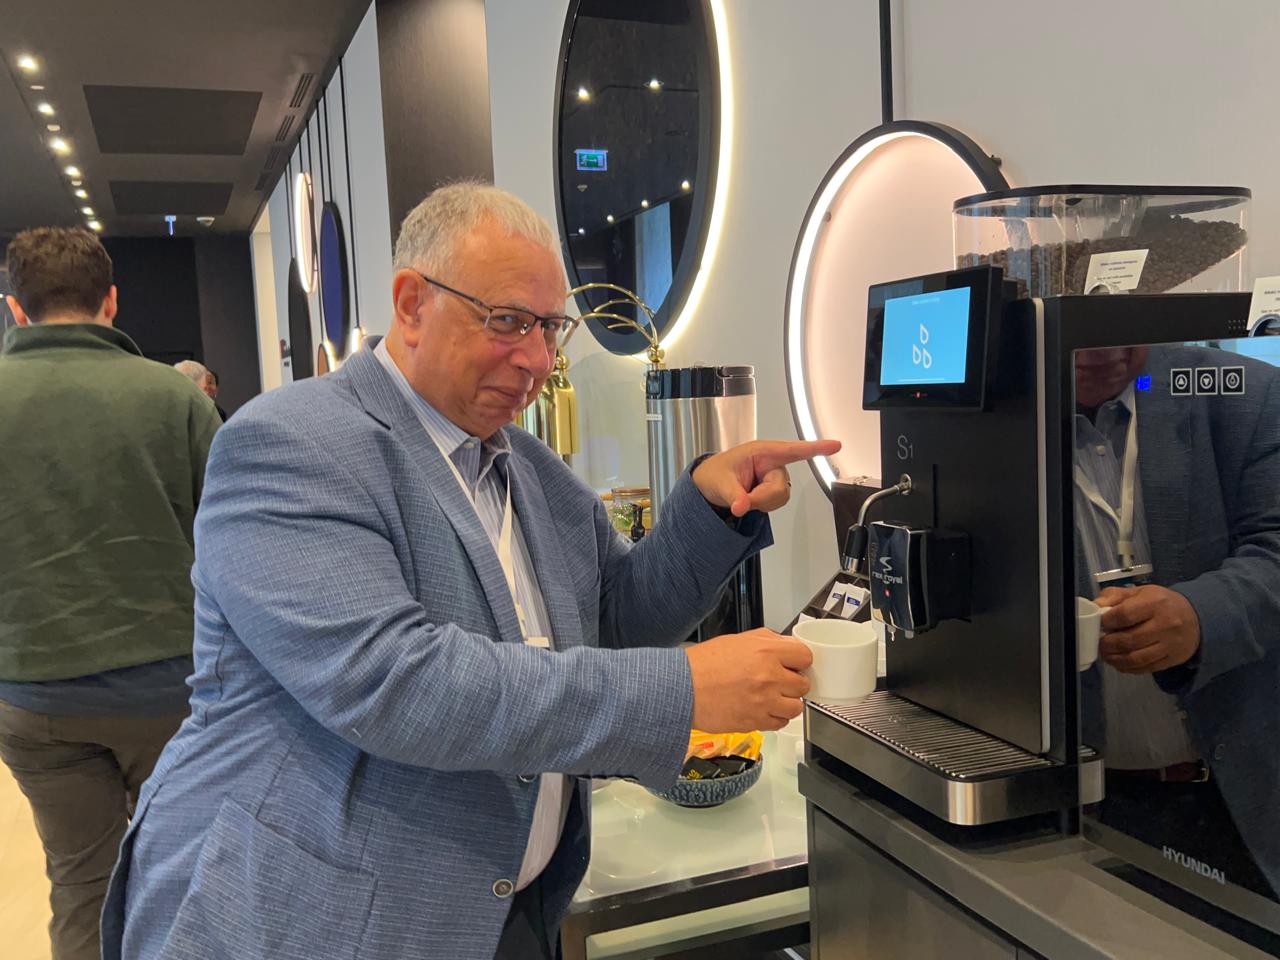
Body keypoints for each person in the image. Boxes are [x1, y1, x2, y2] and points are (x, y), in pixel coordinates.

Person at [104, 183, 835, 960]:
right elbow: (397, 683)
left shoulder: (530, 469)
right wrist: (684, 689)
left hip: (504, 911)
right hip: (312, 919)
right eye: (508, 321)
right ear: (411, 304)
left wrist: (711, 511)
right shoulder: (292, 445)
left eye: (549, 328)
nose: (539, 360)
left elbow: (617, 618)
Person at [0, 227, 222, 960]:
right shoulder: (175, 397)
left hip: (32, 694)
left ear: (15, 308)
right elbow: (232, 541)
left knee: (80, 885)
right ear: (112, 301)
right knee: (185, 872)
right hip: (170, 692)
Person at [1073, 344, 1280, 897]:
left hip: (1244, 798)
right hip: (1074, 805)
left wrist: (1200, 616)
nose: (1105, 349)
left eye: (1120, 316)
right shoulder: (996, 416)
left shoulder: (1246, 391)